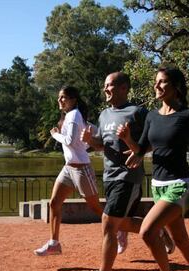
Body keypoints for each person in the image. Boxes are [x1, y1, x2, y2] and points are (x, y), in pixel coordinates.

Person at [116, 67, 189, 271]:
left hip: (180, 184)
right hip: (158, 185)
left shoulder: (187, 114)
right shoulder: (152, 116)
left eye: (162, 82)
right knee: (181, 240)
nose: (156, 86)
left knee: (148, 232)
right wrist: (127, 140)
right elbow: (141, 149)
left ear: (176, 86)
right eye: (156, 82)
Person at [81, 72, 174, 271]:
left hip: (128, 177)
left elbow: (155, 139)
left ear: (124, 88)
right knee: (122, 222)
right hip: (109, 177)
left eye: (110, 85)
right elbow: (101, 146)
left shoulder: (138, 112)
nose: (105, 89)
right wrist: (90, 140)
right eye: (105, 85)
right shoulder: (104, 114)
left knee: (108, 223)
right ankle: (158, 230)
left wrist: (138, 151)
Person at [34, 86, 127, 256]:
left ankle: (120, 229)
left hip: (82, 170)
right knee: (54, 203)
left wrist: (55, 135)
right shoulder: (71, 116)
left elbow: (69, 141)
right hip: (68, 168)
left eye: (64, 97)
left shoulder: (75, 114)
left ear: (73, 99)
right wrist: (87, 142)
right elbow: (81, 141)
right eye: (59, 97)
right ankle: (54, 243)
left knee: (98, 209)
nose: (60, 100)